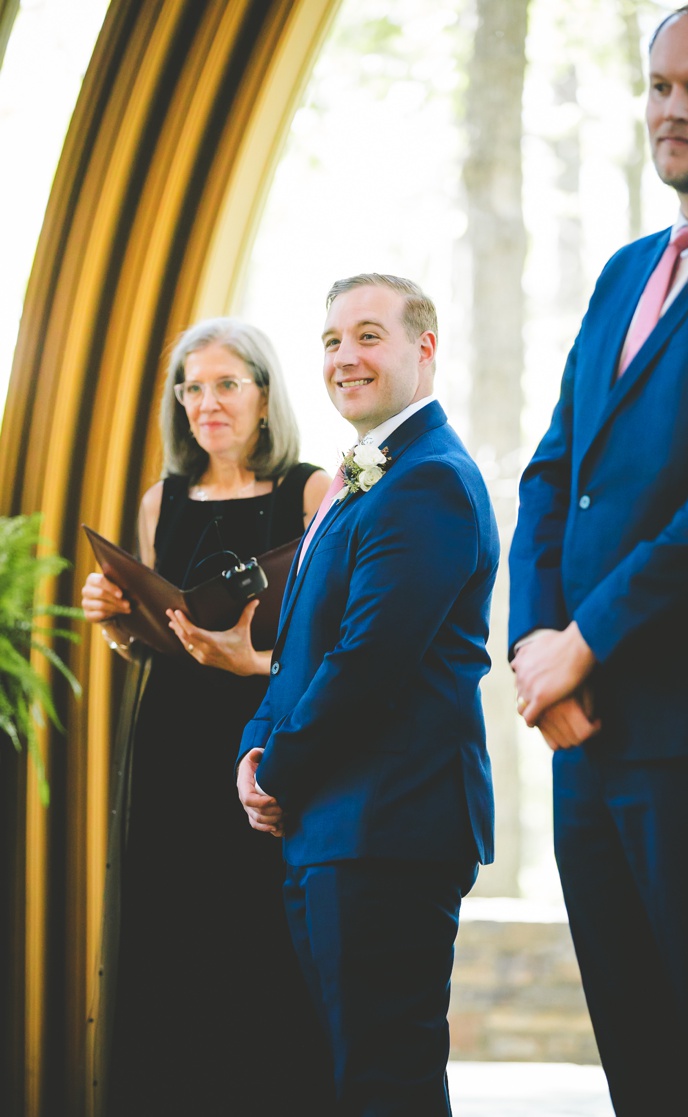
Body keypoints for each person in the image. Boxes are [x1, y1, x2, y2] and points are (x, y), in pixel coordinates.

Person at [506, 3, 688, 1112]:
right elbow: (552, 471)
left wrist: (588, 639)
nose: (672, 109)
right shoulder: (623, 271)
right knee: (634, 1054)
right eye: (660, 86)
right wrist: (535, 655)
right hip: (581, 732)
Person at [233, 274, 500, 1114]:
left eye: (369, 335)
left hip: (390, 824)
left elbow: (367, 662)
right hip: (336, 825)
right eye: (331, 340)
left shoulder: (429, 480)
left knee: (387, 1076)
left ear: (424, 348)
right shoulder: (363, 477)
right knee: (350, 1074)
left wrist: (277, 769)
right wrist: (253, 743)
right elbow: (300, 650)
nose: (346, 356)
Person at [79, 318, 333, 1113]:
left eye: (227, 383)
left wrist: (254, 665)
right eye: (192, 387)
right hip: (170, 742)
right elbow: (160, 639)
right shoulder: (165, 499)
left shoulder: (312, 491)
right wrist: (117, 620)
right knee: (171, 930)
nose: (206, 402)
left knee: (261, 932)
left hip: (266, 732)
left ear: (264, 393)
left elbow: (333, 639)